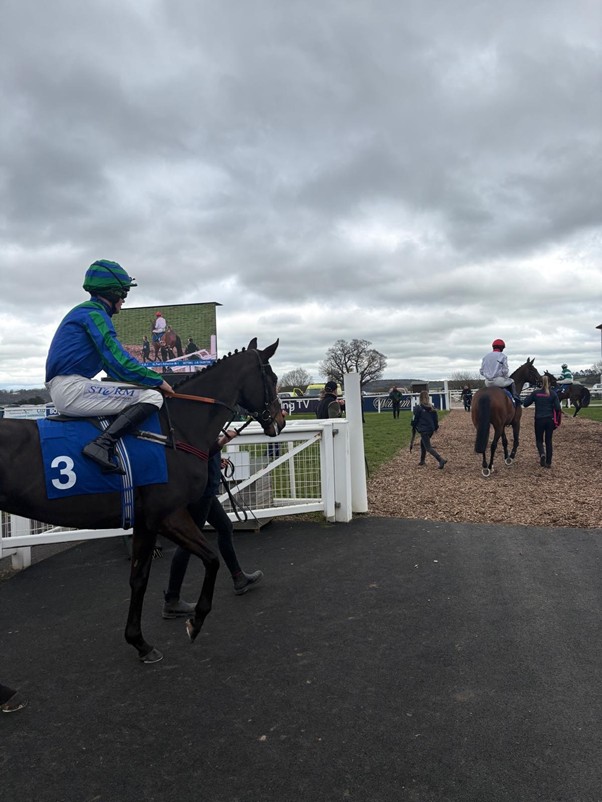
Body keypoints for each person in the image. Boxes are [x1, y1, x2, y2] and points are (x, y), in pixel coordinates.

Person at [45, 259, 174, 474]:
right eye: (124, 294)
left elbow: (112, 368)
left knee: (145, 391)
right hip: (71, 388)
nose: (123, 300)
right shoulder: (95, 314)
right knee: (152, 397)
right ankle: (102, 445)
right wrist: (157, 380)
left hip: (68, 386)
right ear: (113, 293)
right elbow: (117, 359)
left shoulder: (87, 312)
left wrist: (144, 381)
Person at [162, 430, 263, 618]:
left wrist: (217, 459)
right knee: (188, 541)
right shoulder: (196, 423)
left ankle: (239, 578)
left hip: (205, 488)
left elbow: (203, 451)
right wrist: (223, 441)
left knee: (225, 527)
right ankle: (172, 599)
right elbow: (198, 450)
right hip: (202, 491)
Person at [522, 374, 561, 468]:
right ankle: (548, 462)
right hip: (550, 420)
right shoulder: (553, 394)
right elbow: (557, 408)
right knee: (548, 441)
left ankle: (542, 453)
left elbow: (525, 404)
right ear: (550, 383)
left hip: (539, 419)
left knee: (539, 440)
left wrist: (529, 396)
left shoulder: (536, 393)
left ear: (539, 383)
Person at [479, 339, 521, 406]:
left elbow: (481, 371)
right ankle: (515, 398)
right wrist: (505, 377)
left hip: (487, 382)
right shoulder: (503, 356)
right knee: (512, 381)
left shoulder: (485, 357)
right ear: (501, 347)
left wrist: (488, 375)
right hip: (499, 381)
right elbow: (505, 371)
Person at [412, 390, 447, 469]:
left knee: (428, 447)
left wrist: (413, 425)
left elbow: (415, 419)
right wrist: (436, 427)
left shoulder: (418, 408)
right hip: (430, 429)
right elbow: (435, 419)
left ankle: (440, 460)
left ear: (420, 398)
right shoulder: (432, 407)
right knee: (422, 443)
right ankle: (422, 460)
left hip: (424, 430)